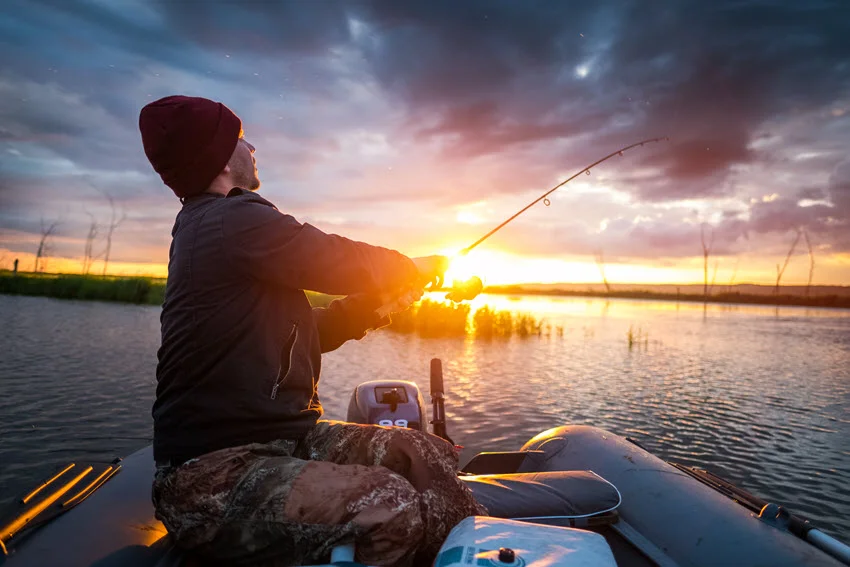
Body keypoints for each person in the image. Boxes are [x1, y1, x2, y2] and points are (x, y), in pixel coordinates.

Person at [138, 95, 486, 567]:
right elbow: (330, 258)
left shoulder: (224, 234)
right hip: (212, 474)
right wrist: (418, 267)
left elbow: (302, 338)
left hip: (286, 442)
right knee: (391, 504)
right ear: (219, 156)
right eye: (241, 139)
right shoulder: (226, 219)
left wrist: (373, 307)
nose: (252, 146)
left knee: (424, 453)